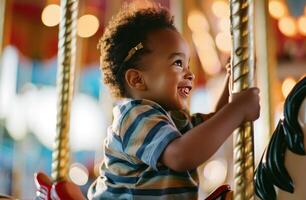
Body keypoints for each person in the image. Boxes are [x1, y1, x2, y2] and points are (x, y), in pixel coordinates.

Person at [35, 4, 260, 200]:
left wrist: (233, 84)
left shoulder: (172, 120)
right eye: (178, 63)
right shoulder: (135, 116)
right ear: (137, 79)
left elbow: (213, 125)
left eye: (188, 64)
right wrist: (237, 109)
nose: (190, 74)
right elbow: (181, 156)